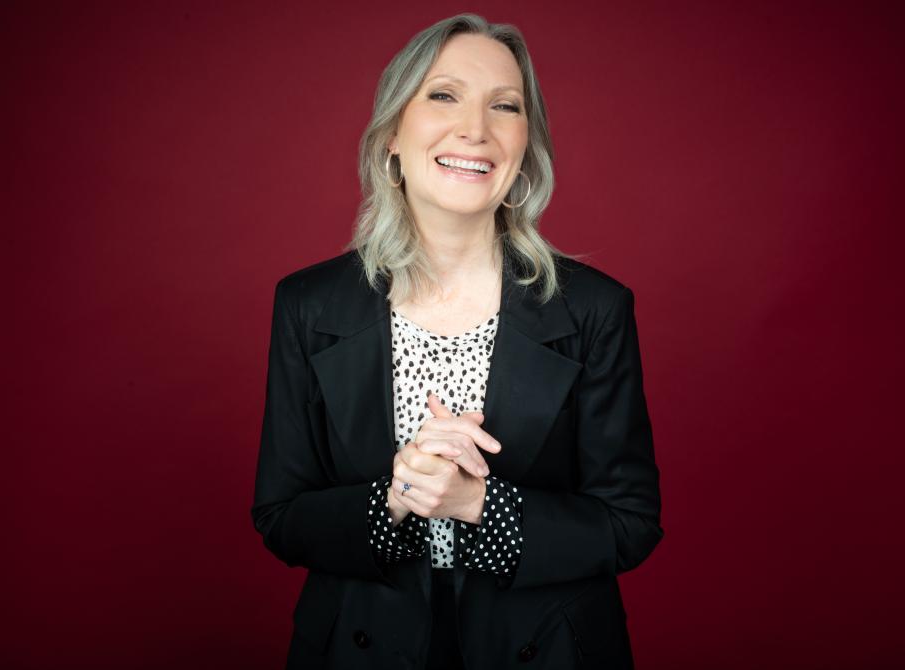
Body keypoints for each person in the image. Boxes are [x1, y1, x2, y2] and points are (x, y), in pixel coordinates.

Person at [251, 13, 663, 670]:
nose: (476, 128)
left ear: (525, 146)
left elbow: (630, 523)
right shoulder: (308, 304)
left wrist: (479, 505)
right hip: (358, 647)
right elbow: (281, 515)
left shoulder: (594, 308)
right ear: (391, 135)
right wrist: (396, 494)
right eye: (444, 95)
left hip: (548, 648)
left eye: (505, 106)